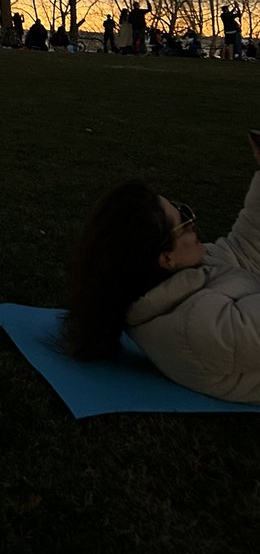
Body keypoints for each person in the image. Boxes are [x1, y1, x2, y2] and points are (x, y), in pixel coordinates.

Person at [65, 140, 260, 403]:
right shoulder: (199, 328)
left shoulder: (178, 279)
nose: (193, 224)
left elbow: (245, 249)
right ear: (166, 257)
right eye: (184, 221)